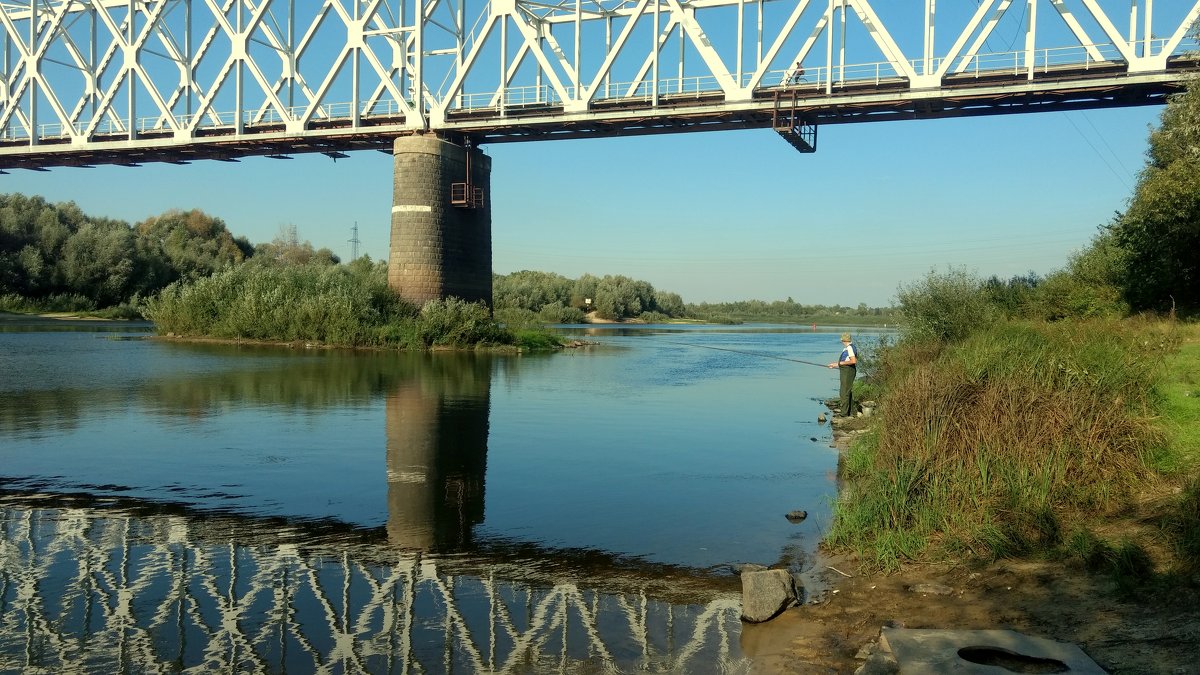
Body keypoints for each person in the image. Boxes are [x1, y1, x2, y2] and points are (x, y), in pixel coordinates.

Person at [827, 333, 857, 416]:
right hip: (847, 371)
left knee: (844, 393)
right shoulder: (850, 347)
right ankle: (850, 412)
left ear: (843, 340)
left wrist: (838, 363)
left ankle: (844, 414)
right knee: (847, 391)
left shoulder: (850, 348)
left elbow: (853, 361)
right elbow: (847, 361)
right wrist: (835, 365)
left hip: (847, 372)